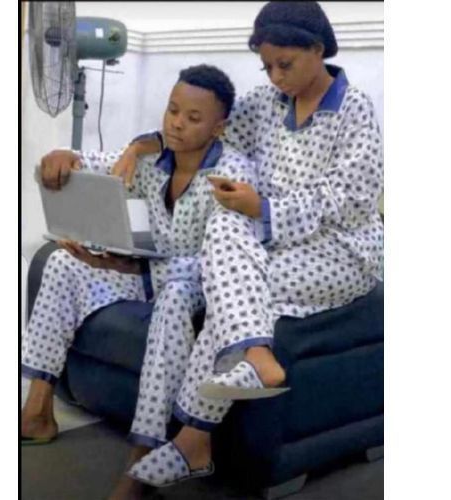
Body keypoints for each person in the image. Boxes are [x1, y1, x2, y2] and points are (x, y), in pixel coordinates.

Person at [113, 1, 384, 489]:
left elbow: (351, 201)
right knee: (224, 230)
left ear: (317, 49)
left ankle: (195, 439)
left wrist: (263, 207)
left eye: (285, 64)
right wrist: (140, 145)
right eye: (267, 66)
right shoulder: (264, 103)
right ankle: (255, 356)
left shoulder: (353, 109)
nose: (275, 76)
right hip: (274, 241)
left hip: (343, 249)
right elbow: (204, 131)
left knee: (228, 292)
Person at [21, 64, 256, 497]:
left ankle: (142, 458)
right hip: (148, 273)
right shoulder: (150, 159)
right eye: (172, 110)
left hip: (197, 288)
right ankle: (37, 411)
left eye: (193, 117)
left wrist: (129, 268)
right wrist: (64, 157)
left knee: (174, 298)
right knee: (62, 263)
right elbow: (98, 165)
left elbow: (221, 262)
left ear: (219, 127)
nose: (177, 123)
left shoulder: (233, 177)